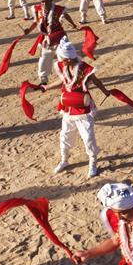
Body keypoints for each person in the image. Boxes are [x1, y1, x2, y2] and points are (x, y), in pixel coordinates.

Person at [42, 38, 111, 178]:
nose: (59, 60)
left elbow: (95, 80)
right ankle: (64, 160)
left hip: (82, 107)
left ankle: (93, 162)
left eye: (61, 58)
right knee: (65, 134)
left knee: (88, 136)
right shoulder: (64, 66)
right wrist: (47, 87)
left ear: (67, 59)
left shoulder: (84, 68)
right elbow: (63, 81)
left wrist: (105, 91)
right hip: (68, 106)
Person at [23, 0, 80, 85]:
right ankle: (43, 79)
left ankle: (72, 76)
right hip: (46, 39)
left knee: (65, 57)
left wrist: (73, 24)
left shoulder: (58, 9)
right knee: (44, 59)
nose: (44, 4)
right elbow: (36, 22)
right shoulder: (38, 10)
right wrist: (28, 30)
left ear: (51, 1)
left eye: (46, 2)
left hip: (59, 37)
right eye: (43, 2)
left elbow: (65, 15)